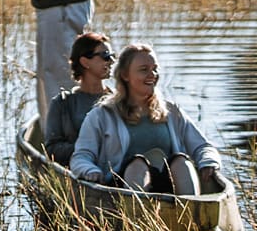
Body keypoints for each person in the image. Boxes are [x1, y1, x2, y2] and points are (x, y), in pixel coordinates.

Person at [69, 43, 224, 195]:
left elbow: (202, 146)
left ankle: (191, 216)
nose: (153, 75)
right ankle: (136, 218)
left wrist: (208, 162)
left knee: (181, 163)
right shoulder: (102, 115)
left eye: (155, 69)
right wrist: (90, 170)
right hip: (122, 190)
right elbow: (81, 156)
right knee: (137, 165)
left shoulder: (171, 111)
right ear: (125, 75)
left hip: (168, 187)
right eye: (144, 70)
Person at [42, 32, 114, 165]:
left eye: (112, 56)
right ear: (85, 62)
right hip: (77, 169)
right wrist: (88, 148)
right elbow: (52, 150)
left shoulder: (118, 101)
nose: (111, 61)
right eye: (105, 56)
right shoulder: (62, 104)